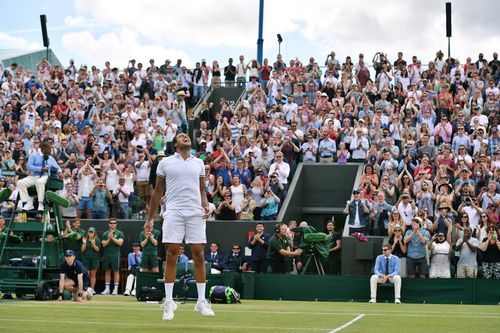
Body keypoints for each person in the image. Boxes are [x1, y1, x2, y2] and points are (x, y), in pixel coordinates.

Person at [146, 132, 214, 321]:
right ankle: (169, 302)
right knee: (171, 255)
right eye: (181, 136)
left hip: (195, 212)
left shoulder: (199, 163)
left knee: (199, 255)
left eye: (187, 135)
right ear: (175, 143)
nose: (186, 137)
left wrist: (205, 205)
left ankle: (201, 301)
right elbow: (158, 191)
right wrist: (150, 218)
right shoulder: (165, 162)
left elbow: (201, 189)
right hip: (174, 211)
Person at [17, 140, 62, 211]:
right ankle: (28, 202)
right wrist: (40, 169)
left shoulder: (51, 158)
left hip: (45, 176)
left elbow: (57, 168)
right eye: (49, 149)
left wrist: (60, 173)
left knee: (40, 182)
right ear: (44, 149)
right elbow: (29, 167)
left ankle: (40, 203)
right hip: (34, 176)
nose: (51, 150)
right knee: (20, 182)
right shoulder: (34, 155)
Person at [101, 218, 124, 295]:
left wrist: (112, 238)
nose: (112, 224)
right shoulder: (105, 234)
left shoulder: (120, 233)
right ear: (109, 224)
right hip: (107, 255)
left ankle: (115, 289)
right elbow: (103, 244)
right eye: (111, 223)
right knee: (107, 271)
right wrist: (109, 238)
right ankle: (107, 289)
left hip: (115, 255)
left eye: (114, 223)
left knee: (116, 271)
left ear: (116, 224)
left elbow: (120, 243)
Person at [81, 227, 101, 295]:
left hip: (94, 259)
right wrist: (84, 244)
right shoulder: (84, 239)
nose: (91, 233)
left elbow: (98, 250)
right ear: (88, 233)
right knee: (85, 274)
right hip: (85, 259)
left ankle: (92, 289)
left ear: (94, 233)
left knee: (93, 275)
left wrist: (93, 244)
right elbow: (82, 250)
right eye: (90, 232)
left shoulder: (97, 240)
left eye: (92, 232)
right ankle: (85, 288)